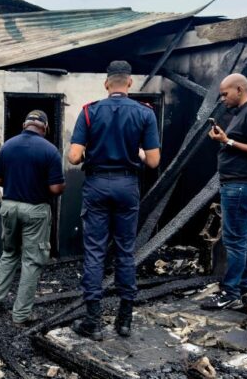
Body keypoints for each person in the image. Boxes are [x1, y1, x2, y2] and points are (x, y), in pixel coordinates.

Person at [68, 60, 161, 340]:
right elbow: (153, 161)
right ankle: (124, 322)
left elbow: (73, 157)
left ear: (107, 83)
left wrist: (92, 154)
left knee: (95, 251)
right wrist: (137, 155)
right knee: (125, 250)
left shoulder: (89, 112)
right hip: (127, 185)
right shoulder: (145, 114)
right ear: (129, 83)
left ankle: (93, 323)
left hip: (97, 184)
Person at [0, 110, 66, 327]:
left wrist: (17, 183)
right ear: (45, 128)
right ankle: (21, 315)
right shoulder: (50, 151)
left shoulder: (8, 146)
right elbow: (56, 188)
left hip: (9, 207)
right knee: (32, 261)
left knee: (9, 253)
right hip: (36, 210)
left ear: (24, 124)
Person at [201, 73, 247, 311]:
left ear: (239, 89)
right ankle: (243, 291)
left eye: (225, 94)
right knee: (242, 239)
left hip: (243, 185)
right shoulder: (242, 113)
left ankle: (230, 292)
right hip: (238, 184)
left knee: (234, 240)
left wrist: (228, 142)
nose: (222, 99)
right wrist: (225, 139)